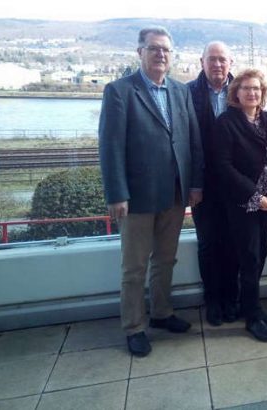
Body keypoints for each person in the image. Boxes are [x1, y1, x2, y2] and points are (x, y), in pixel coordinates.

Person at [99, 26, 204, 357]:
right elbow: (110, 146)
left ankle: (161, 313)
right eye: (154, 49)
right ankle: (133, 326)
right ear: (139, 52)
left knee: (165, 259)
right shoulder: (119, 92)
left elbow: (192, 140)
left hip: (175, 193)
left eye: (166, 50)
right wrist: (117, 193)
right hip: (137, 198)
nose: (161, 54)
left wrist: (195, 184)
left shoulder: (179, 91)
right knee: (134, 266)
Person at [212, 69, 267, 342]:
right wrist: (255, 195)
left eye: (256, 88)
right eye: (246, 88)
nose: (252, 93)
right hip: (242, 202)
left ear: (262, 93)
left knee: (262, 252)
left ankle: (248, 304)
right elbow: (224, 166)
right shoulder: (226, 122)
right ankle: (253, 316)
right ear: (236, 93)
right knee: (249, 256)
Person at [188, 41, 240, 325]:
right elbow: (186, 143)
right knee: (208, 245)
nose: (217, 65)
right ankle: (213, 301)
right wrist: (192, 184)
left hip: (236, 185)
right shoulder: (187, 93)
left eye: (222, 59)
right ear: (201, 61)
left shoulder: (243, 90)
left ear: (230, 62)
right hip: (203, 186)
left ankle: (232, 298)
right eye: (212, 59)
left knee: (233, 243)